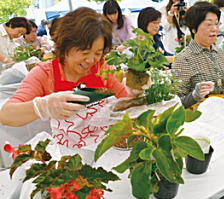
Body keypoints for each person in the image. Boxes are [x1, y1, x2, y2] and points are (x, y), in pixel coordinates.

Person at [0, 7, 131, 150]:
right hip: (68, 155)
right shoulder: (45, 73)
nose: (91, 60)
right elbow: (6, 115)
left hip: (105, 151)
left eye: (98, 53)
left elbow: (126, 101)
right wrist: (43, 107)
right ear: (65, 46)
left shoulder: (103, 68)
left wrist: (136, 91)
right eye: (85, 52)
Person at [172, 1, 224, 109]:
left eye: (216, 24)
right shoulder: (184, 58)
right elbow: (177, 103)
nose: (214, 29)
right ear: (194, 29)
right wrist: (195, 96)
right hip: (200, 118)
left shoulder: (218, 51)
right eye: (209, 24)